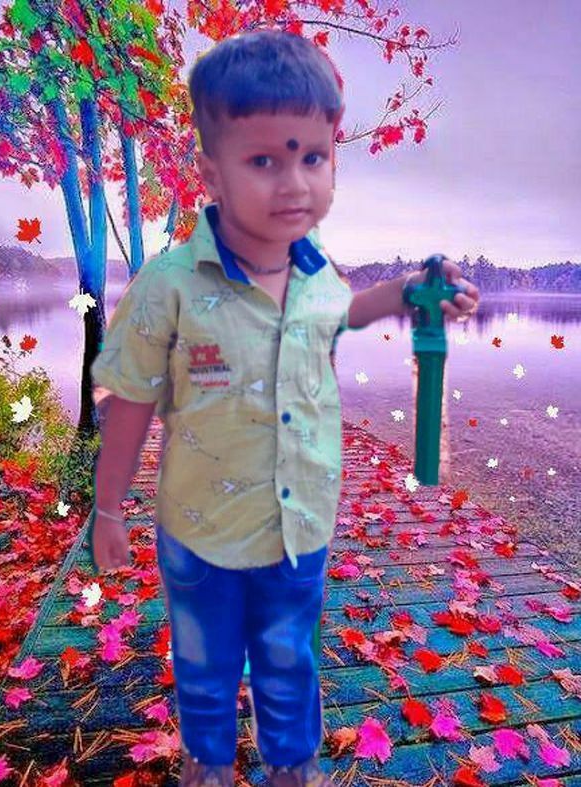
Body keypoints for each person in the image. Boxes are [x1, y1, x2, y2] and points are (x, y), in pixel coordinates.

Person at [90, 27, 480, 787]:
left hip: (299, 527)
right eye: (264, 160)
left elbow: (346, 312)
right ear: (211, 172)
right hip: (200, 534)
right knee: (204, 664)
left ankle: (292, 765)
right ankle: (208, 763)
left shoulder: (316, 270)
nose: (294, 182)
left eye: (313, 158)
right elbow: (131, 403)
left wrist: (408, 292)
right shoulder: (169, 287)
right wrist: (109, 510)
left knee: (288, 659)